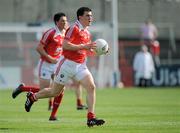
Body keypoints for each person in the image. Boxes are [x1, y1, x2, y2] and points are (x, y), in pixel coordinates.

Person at [24, 7, 105, 127]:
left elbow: (86, 49)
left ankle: (90, 118)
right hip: (66, 64)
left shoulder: (87, 31)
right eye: (87, 15)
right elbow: (65, 45)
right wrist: (84, 46)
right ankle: (33, 97)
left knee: (91, 87)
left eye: (91, 16)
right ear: (80, 17)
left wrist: (99, 50)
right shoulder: (74, 28)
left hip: (80, 66)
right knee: (54, 92)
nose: (90, 18)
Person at [12, 12, 87, 121]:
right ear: (57, 22)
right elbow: (39, 48)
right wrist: (50, 58)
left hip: (57, 65)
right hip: (46, 64)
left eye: (66, 21)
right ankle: (23, 88)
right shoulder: (50, 33)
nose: (65, 23)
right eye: (63, 21)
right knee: (45, 90)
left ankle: (53, 115)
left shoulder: (66, 33)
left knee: (60, 89)